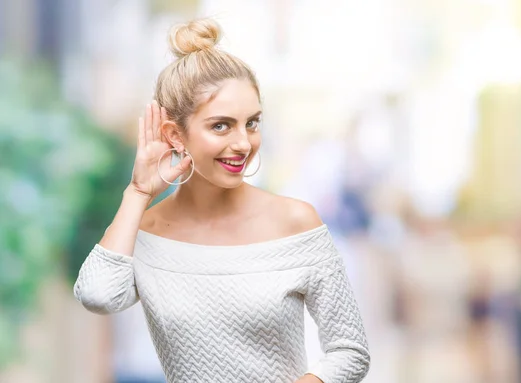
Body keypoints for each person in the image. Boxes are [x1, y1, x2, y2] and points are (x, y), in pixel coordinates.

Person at [73, 17, 371, 383]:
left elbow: (350, 349)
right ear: (174, 135)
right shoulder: (146, 232)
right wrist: (137, 193)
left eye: (252, 123)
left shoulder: (296, 221)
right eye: (221, 125)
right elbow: (98, 296)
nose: (244, 143)